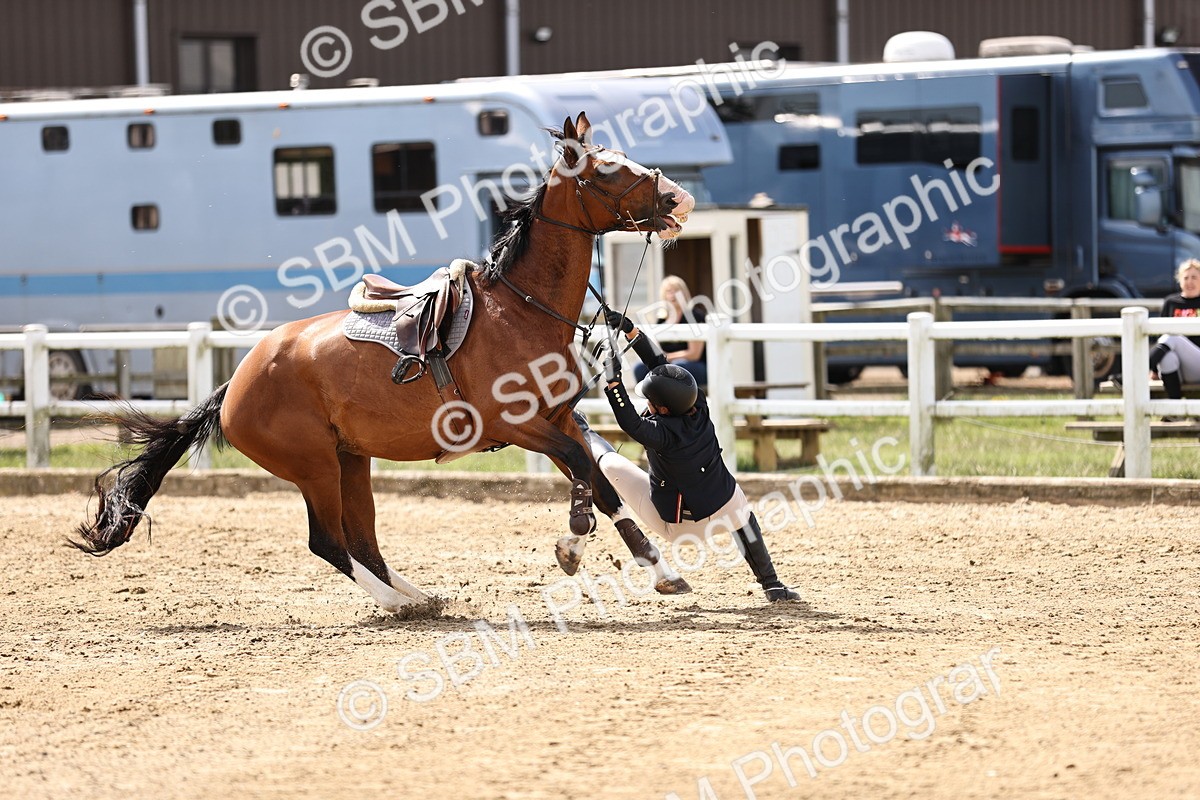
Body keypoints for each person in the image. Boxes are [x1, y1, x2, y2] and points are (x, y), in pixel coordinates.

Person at [573, 307, 800, 603]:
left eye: (650, 400)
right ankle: (772, 584)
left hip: (682, 529)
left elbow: (630, 423)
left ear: (663, 409)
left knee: (611, 464)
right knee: (742, 511)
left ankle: (582, 430)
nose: (647, 403)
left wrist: (614, 384)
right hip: (725, 508)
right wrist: (631, 331)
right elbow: (661, 366)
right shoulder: (697, 403)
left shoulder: (662, 434)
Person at [632, 276, 708, 386]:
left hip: (694, 366)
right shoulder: (662, 319)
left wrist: (667, 358)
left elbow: (694, 354)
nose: (672, 294)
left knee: (678, 367)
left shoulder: (693, 316)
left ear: (683, 293)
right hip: (668, 364)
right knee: (640, 368)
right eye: (668, 291)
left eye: (676, 290)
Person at [1149, 258, 1200, 420]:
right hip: (1177, 368)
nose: (1190, 282)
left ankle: (1139, 369)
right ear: (1179, 280)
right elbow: (1160, 335)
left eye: (1194, 277)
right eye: (1186, 277)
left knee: (1173, 336)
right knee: (1167, 357)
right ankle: (1175, 410)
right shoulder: (1171, 302)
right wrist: (1155, 371)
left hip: (1197, 363)